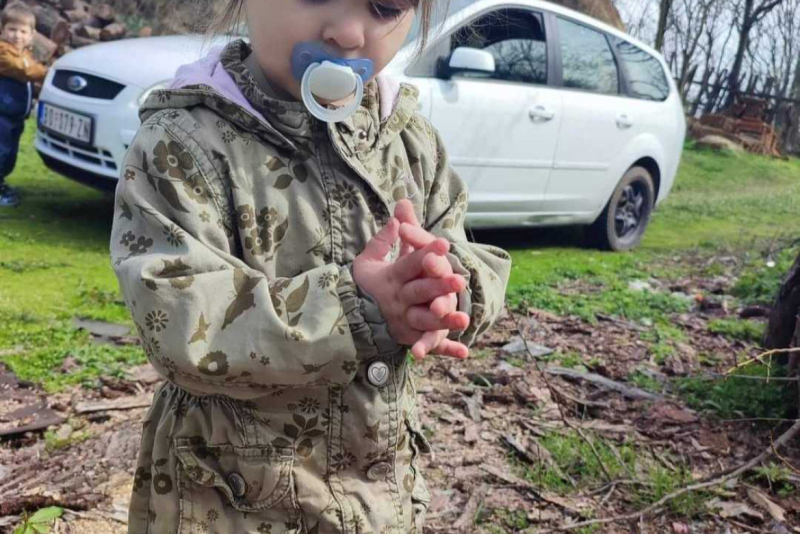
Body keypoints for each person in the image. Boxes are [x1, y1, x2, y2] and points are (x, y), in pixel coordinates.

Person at [110, 0, 511, 531]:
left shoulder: (409, 143)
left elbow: (463, 248)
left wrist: (444, 292)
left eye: (385, 6)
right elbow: (179, 321)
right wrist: (356, 310)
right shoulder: (183, 144)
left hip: (378, 499)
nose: (347, 34)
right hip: (226, 500)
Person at [0, 2, 47, 208]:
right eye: (12, 29)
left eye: (22, 31)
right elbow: (22, 70)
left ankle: (1, 183)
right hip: (2, 114)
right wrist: (47, 72)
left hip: (15, 116)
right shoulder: (3, 53)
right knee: (1, 151)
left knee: (9, 153)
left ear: (31, 35)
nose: (17, 36)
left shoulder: (24, 54)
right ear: (2, 30)